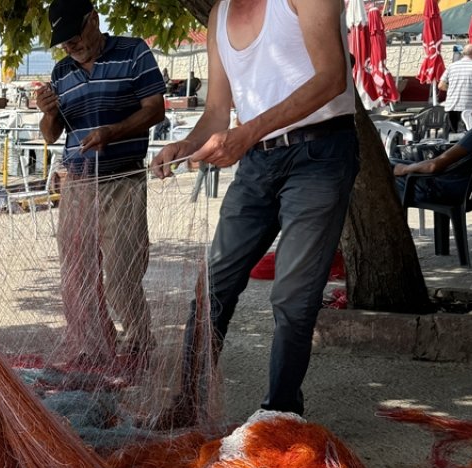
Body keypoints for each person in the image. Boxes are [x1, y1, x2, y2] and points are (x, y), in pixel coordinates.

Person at [152, 0, 358, 416]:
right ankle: (187, 403)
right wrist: (186, 146)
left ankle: (279, 414)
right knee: (214, 285)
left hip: (321, 152)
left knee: (293, 296)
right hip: (257, 162)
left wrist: (247, 133)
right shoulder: (219, 14)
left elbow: (332, 78)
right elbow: (215, 111)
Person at [35, 0, 166, 361]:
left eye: (74, 37)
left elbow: (155, 109)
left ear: (93, 19)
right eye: (62, 42)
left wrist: (114, 132)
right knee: (76, 274)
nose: (69, 47)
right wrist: (48, 113)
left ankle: (140, 341)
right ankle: (92, 348)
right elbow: (51, 134)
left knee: (123, 272)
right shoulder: (62, 71)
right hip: (77, 181)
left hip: (123, 178)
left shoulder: (134, 51)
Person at [394, 70, 472, 202]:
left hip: (449, 189)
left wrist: (404, 169)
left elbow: (435, 166)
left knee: (389, 169)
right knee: (396, 162)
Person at [440, 45, 472, 134]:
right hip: (468, 106)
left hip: (451, 105)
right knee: (467, 135)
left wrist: (452, 90)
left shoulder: (451, 66)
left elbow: (441, 85)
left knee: (452, 135)